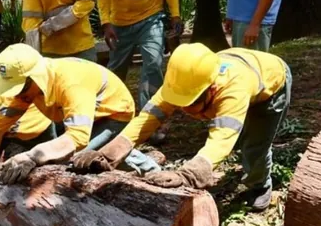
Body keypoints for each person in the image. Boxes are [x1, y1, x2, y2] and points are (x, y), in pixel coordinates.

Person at [72, 43, 291, 212]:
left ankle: (260, 185)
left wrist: (188, 175)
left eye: (191, 102)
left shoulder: (234, 89)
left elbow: (221, 140)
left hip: (271, 87)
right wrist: (109, 153)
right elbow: (146, 119)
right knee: (241, 138)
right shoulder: (181, 81)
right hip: (243, 68)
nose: (185, 109)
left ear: (211, 88)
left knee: (255, 146)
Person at [0, 44, 161, 183]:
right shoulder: (28, 86)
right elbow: (1, 121)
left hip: (112, 115)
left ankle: (150, 170)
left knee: (83, 158)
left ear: (34, 77)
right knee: (64, 158)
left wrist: (32, 156)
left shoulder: (71, 84)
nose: (19, 94)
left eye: (21, 88)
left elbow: (77, 138)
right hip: (75, 114)